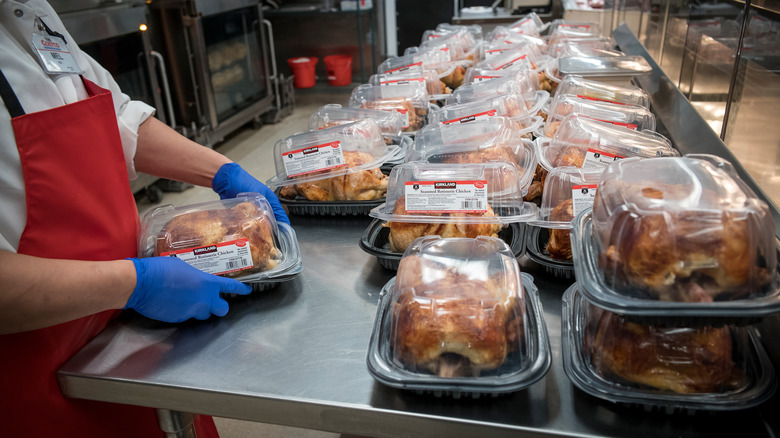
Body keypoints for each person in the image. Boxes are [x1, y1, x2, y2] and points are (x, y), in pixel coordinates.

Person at [0, 1, 290, 436]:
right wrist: (137, 283)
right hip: (37, 370)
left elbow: (115, 118)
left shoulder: (29, 10)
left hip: (133, 335)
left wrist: (222, 171)